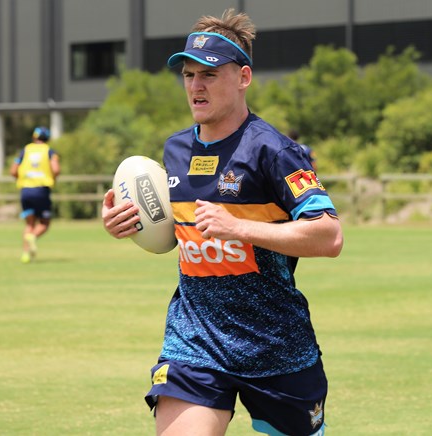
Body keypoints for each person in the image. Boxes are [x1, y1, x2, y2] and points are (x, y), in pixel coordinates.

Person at [101, 9, 343, 436]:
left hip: (275, 346)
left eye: (209, 74)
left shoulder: (275, 151)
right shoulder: (175, 149)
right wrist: (128, 222)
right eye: (189, 75)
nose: (196, 85)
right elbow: (178, 234)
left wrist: (241, 227)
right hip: (194, 341)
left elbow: (329, 235)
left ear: (243, 77)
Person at [10, 126, 60, 263]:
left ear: (34, 137)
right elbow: (56, 169)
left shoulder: (25, 150)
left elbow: (13, 171)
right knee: (44, 223)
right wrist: (53, 178)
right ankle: (33, 237)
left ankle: (25, 255)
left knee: (29, 224)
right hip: (41, 190)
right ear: (47, 138)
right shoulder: (50, 151)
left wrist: (23, 180)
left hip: (25, 190)